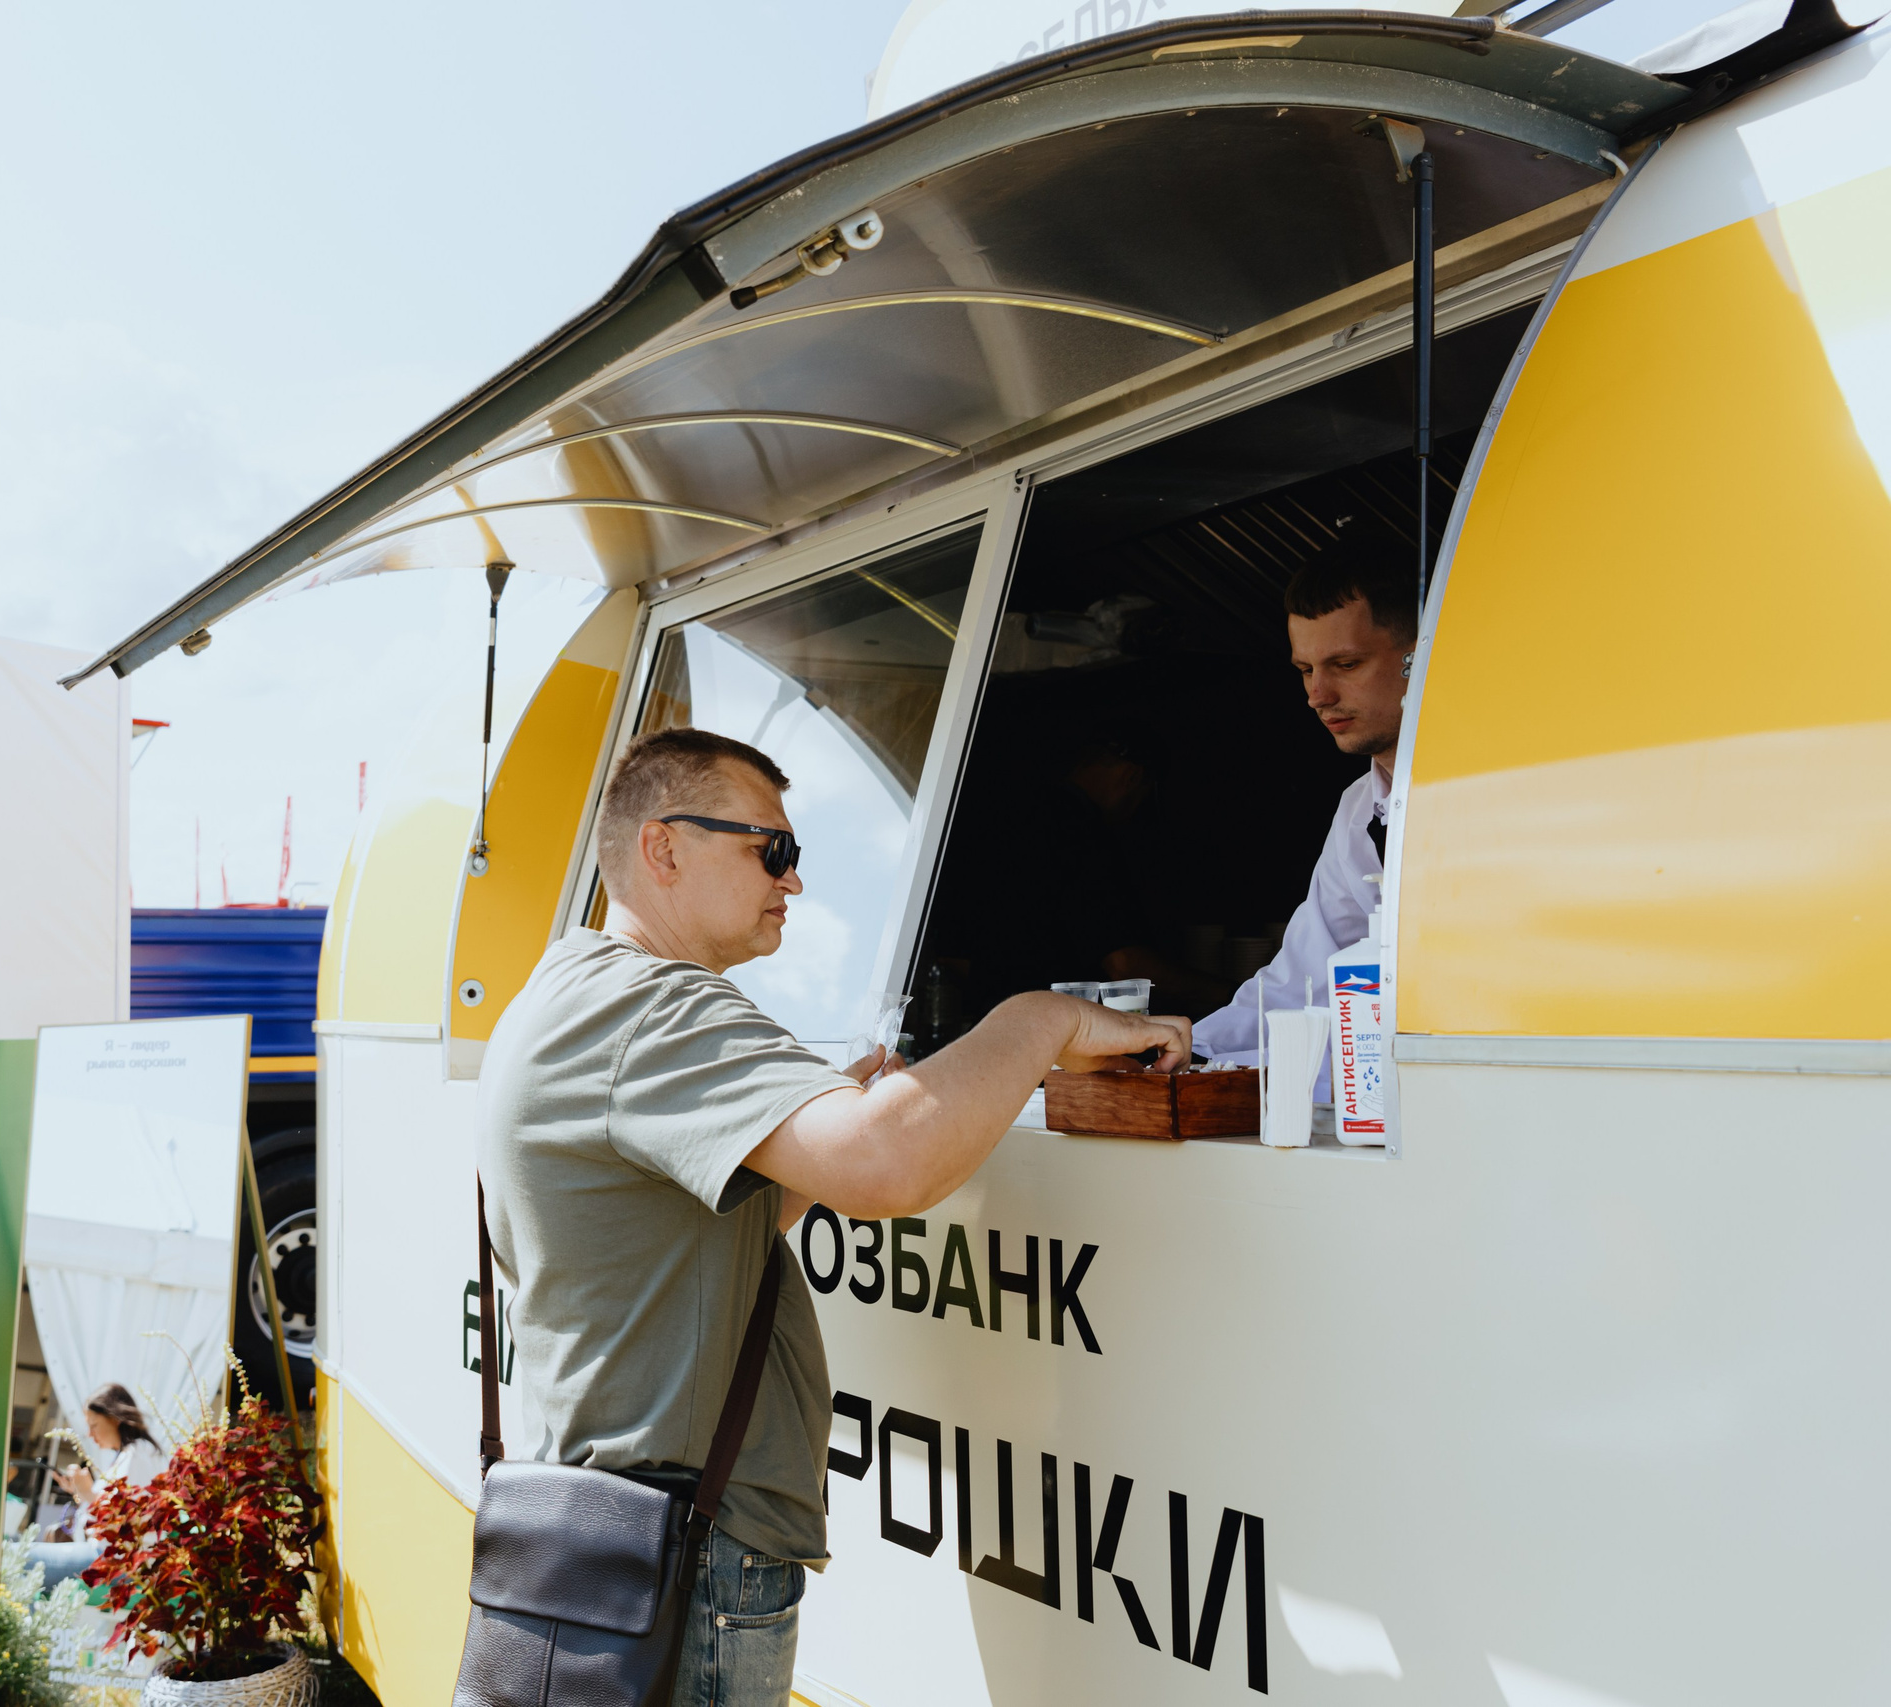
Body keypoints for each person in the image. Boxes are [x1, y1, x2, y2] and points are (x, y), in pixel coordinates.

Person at [477, 726, 1187, 1707]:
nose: (792, 881)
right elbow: (888, 1168)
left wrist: (807, 1130)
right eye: (770, 849)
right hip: (688, 1544)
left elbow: (687, 1241)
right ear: (663, 846)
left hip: (605, 1526)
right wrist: (1042, 1021)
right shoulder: (652, 1008)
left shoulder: (568, 987)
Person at [1192, 544, 1416, 1069]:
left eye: (1345, 664)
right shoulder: (1358, 808)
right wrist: (1192, 1052)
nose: (1318, 695)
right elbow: (1307, 977)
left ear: (1421, 653)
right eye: (1304, 669)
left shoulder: (1498, 791)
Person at [29, 1382, 163, 1589]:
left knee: (22, 1559)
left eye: (94, 1426)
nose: (90, 1435)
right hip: (106, 1555)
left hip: (116, 1561)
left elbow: (128, 1520)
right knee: (19, 1557)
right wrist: (78, 1492)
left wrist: (88, 1493)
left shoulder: (138, 1456)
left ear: (115, 1419)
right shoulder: (127, 1456)